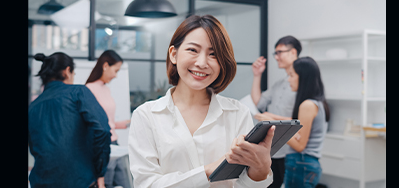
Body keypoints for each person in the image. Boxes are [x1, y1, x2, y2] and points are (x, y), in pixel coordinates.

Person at [128, 14, 275, 188]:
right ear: (174, 54)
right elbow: (146, 185)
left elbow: (245, 184)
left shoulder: (237, 113)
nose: (202, 62)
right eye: (193, 50)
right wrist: (209, 171)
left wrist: (261, 168)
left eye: (213, 54)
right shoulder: (146, 116)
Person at [28, 52, 111, 188]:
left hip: (40, 182)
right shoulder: (78, 92)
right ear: (67, 71)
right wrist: (100, 172)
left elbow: (34, 146)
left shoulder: (33, 106)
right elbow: (102, 129)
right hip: (79, 180)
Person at [250, 35, 301, 188]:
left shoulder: (302, 84)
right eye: (275, 53)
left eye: (280, 52)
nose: (276, 57)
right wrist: (257, 75)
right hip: (273, 148)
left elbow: (303, 120)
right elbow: (258, 102)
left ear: (293, 53)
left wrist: (270, 117)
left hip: (291, 150)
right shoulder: (278, 84)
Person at [85, 49, 131, 188]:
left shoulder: (106, 89)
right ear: (105, 66)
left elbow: (106, 121)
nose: (116, 76)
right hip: (102, 146)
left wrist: (124, 123)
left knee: (125, 183)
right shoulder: (88, 90)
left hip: (115, 143)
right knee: (107, 184)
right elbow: (92, 124)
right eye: (116, 70)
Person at [283, 57, 330, 188]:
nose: (289, 79)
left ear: (303, 77)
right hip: (308, 164)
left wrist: (276, 130)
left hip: (300, 163)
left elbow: (299, 145)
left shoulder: (307, 105)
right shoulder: (318, 102)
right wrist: (273, 118)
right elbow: (298, 123)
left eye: (292, 75)